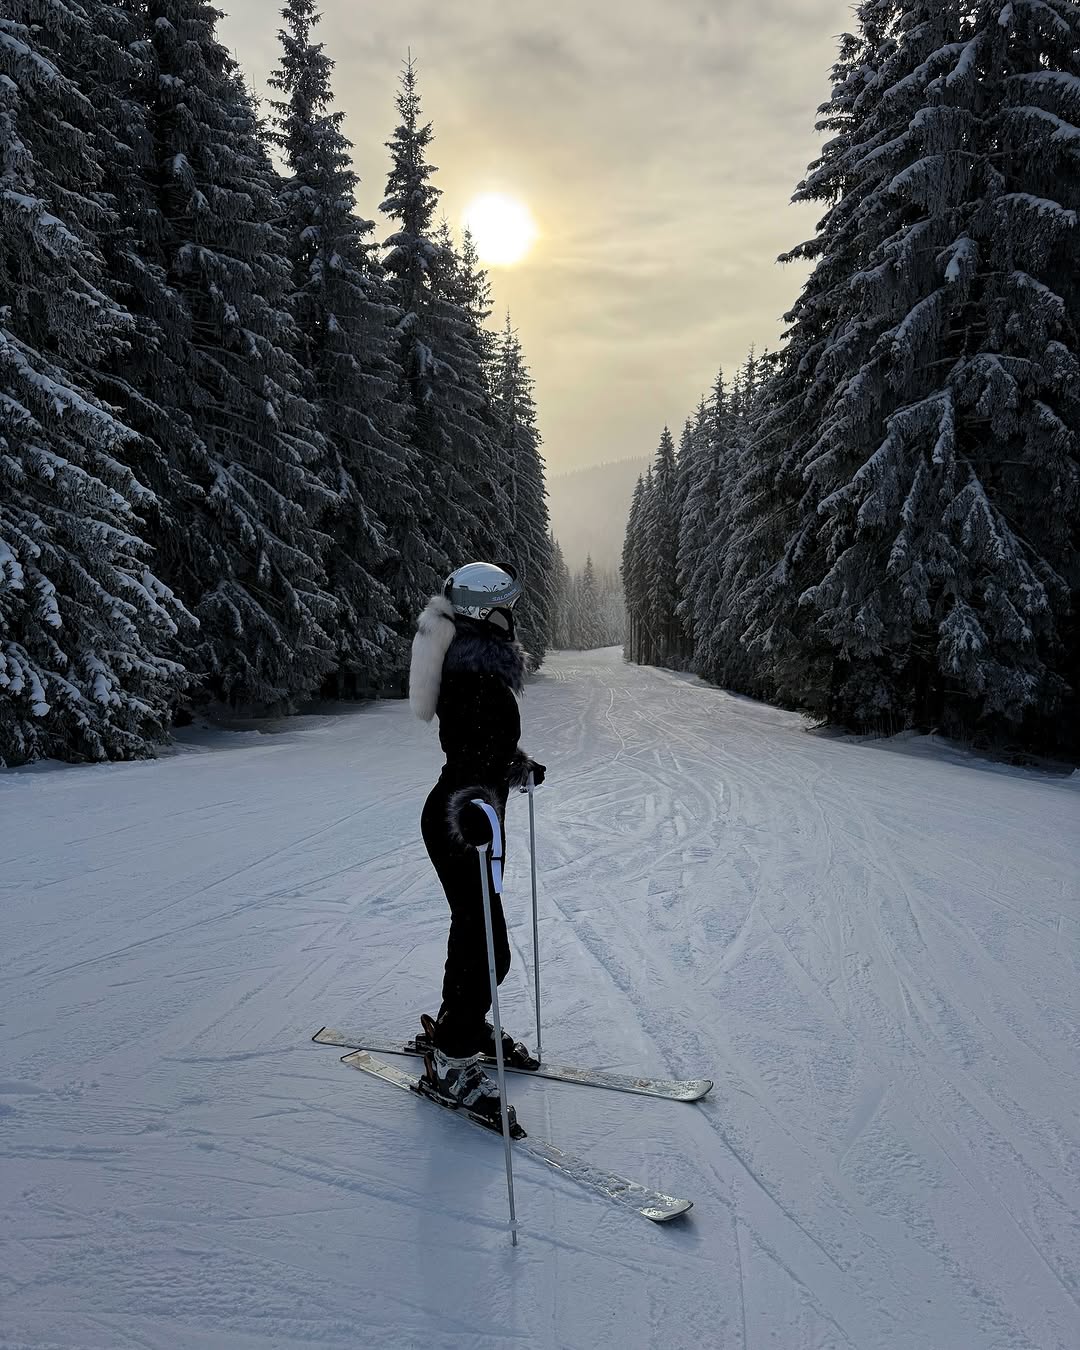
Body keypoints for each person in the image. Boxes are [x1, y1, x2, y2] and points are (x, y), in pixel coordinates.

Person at [408, 561, 545, 1127]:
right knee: (490, 945)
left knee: (474, 930)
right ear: (484, 614)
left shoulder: (477, 674)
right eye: (505, 608)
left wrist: (514, 767)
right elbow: (468, 753)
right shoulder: (474, 678)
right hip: (462, 819)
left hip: (469, 812)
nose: (512, 618)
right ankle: (453, 1058)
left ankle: (458, 1024)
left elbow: (483, 747)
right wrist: (476, 806)